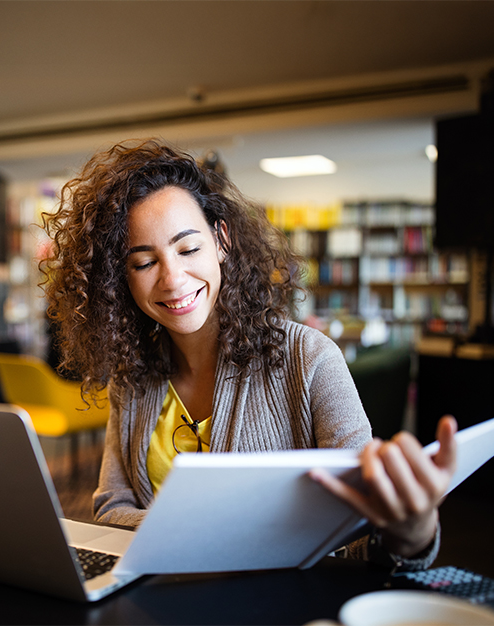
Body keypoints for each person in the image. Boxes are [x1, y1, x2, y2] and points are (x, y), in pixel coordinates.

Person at [41, 139, 457, 571]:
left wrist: (412, 534)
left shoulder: (309, 358)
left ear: (221, 241)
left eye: (188, 249)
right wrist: (224, 535)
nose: (172, 279)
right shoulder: (133, 375)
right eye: (144, 262)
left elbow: (361, 534)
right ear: (120, 277)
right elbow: (110, 508)